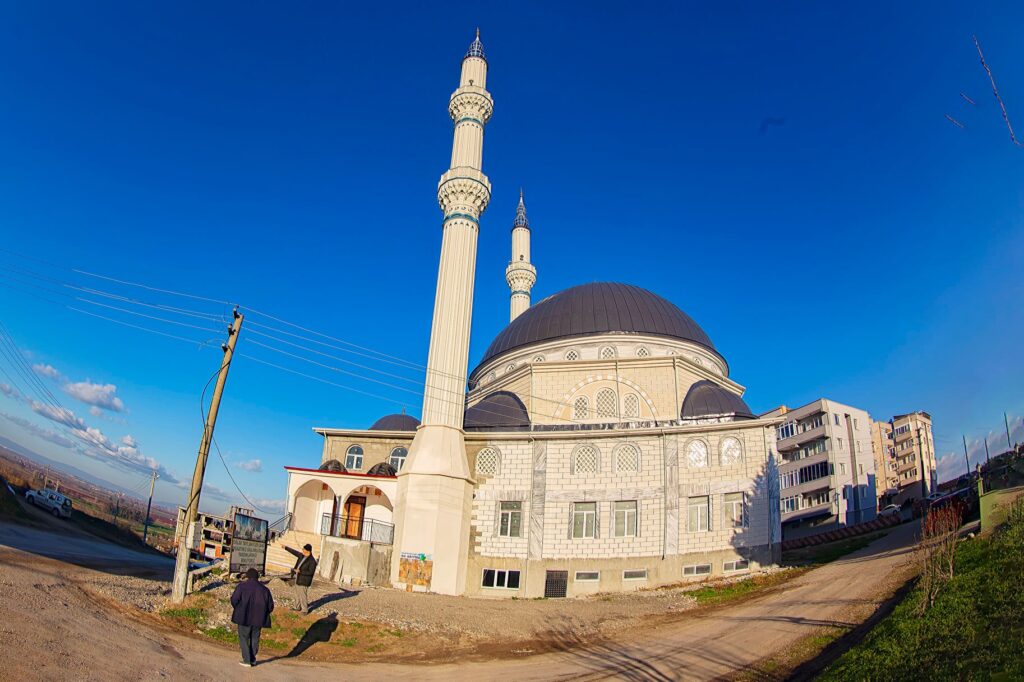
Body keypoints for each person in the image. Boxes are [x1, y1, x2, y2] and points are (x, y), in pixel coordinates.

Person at [230, 568, 274, 668]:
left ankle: (247, 660)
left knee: (244, 638)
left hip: (243, 617)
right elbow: (270, 606)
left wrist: (238, 609)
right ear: (257, 577)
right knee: (255, 638)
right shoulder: (265, 590)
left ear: (248, 576)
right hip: (259, 619)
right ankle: (253, 659)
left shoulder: (241, 586)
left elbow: (234, 600)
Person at [285, 543, 317, 613]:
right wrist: (286, 547)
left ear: (308, 551)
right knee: (297, 594)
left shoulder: (312, 561)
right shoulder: (302, 556)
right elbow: (294, 552)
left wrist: (300, 571)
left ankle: (305, 610)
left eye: (304, 550)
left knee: (303, 595)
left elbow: (310, 572)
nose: (302, 551)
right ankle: (297, 607)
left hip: (304, 581)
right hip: (298, 578)